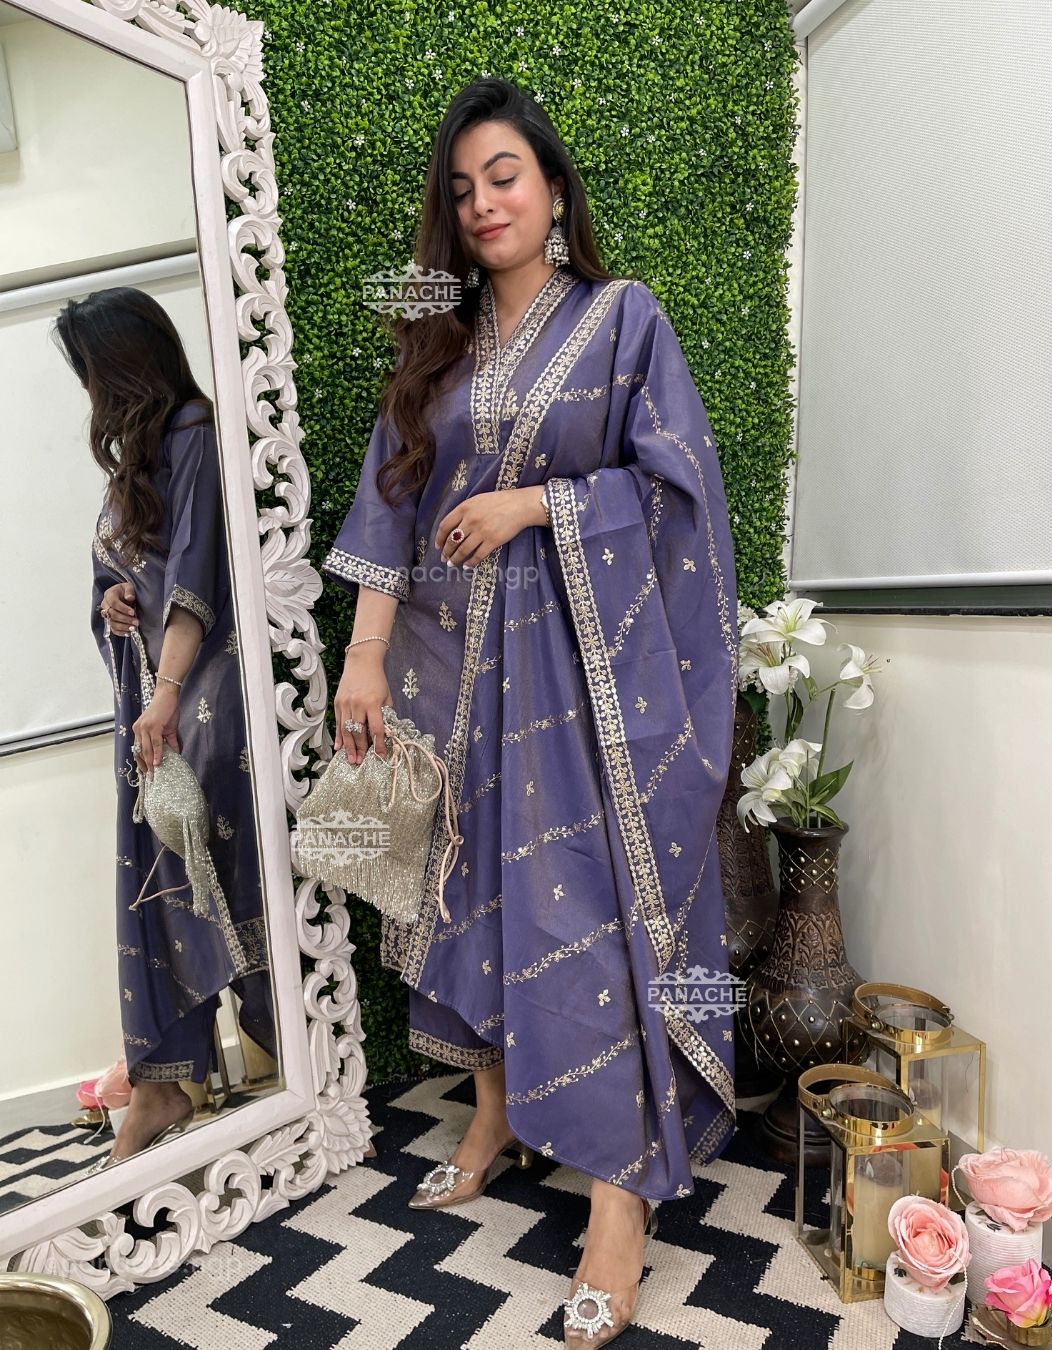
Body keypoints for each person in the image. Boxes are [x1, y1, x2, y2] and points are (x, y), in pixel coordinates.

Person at [326, 78, 739, 1344]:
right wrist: (363, 659)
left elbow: (678, 491)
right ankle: (497, 1111)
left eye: (503, 176)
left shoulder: (623, 318)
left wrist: (540, 505)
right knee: (472, 895)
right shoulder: (435, 338)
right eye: (461, 189)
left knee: (588, 915)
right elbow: (392, 497)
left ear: (553, 188)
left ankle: (620, 1197)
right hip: (451, 670)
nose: (482, 204)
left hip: (589, 679)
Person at [54, 287, 275, 1168]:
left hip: (195, 703)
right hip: (152, 707)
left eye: (92, 371)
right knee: (157, 887)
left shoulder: (193, 433)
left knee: (217, 874)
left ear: (123, 366)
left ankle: (261, 1063)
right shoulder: (137, 460)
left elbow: (197, 574)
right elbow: (133, 580)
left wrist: (168, 694)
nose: (89, 391)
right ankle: (162, 1083)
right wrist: (111, 601)